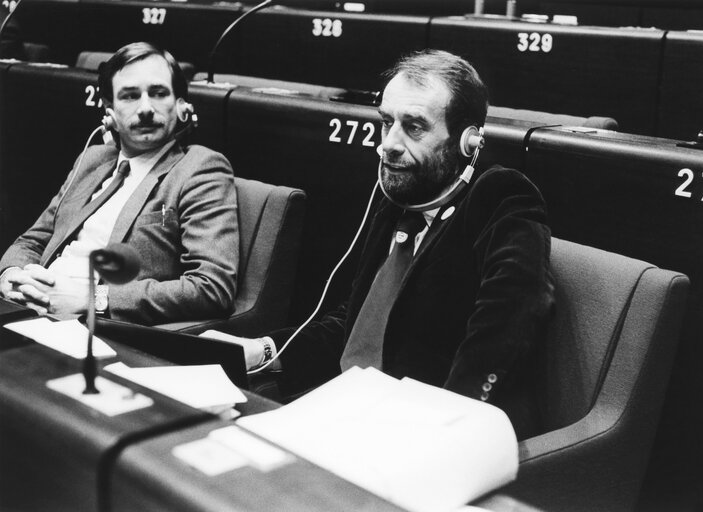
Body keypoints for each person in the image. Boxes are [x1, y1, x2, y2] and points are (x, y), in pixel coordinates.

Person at [204, 49, 554, 438]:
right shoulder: (396, 202)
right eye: (387, 122)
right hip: (348, 407)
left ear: (468, 141)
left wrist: (449, 420)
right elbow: (355, 329)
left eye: (414, 127)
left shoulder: (500, 194)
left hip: (429, 425)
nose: (389, 143)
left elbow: (513, 311)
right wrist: (266, 350)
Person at [0, 42, 239, 325]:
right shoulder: (93, 159)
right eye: (130, 96)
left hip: (94, 326)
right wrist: (9, 274)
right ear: (110, 112)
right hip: (26, 309)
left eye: (159, 93)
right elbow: (34, 239)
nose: (146, 108)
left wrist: (93, 300)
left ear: (182, 107)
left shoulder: (199, 168)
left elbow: (212, 287)